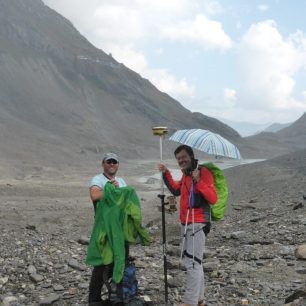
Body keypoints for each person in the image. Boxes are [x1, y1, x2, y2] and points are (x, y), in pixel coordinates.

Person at [158, 145, 218, 306]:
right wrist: (166, 173)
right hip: (187, 223)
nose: (181, 160)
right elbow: (176, 190)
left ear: (191, 156)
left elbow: (213, 198)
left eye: (183, 157)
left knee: (192, 263)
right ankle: (199, 300)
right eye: (178, 158)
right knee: (196, 262)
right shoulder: (186, 175)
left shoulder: (203, 172)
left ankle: (190, 302)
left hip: (197, 223)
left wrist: (199, 181)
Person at [88, 152, 127, 306]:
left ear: (118, 165)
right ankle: (94, 299)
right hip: (104, 229)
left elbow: (126, 199)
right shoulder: (98, 179)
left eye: (114, 162)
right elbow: (94, 195)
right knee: (101, 263)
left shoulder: (122, 181)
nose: (112, 164)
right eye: (109, 161)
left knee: (120, 261)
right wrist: (111, 189)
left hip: (120, 228)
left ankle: (116, 297)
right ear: (103, 164)